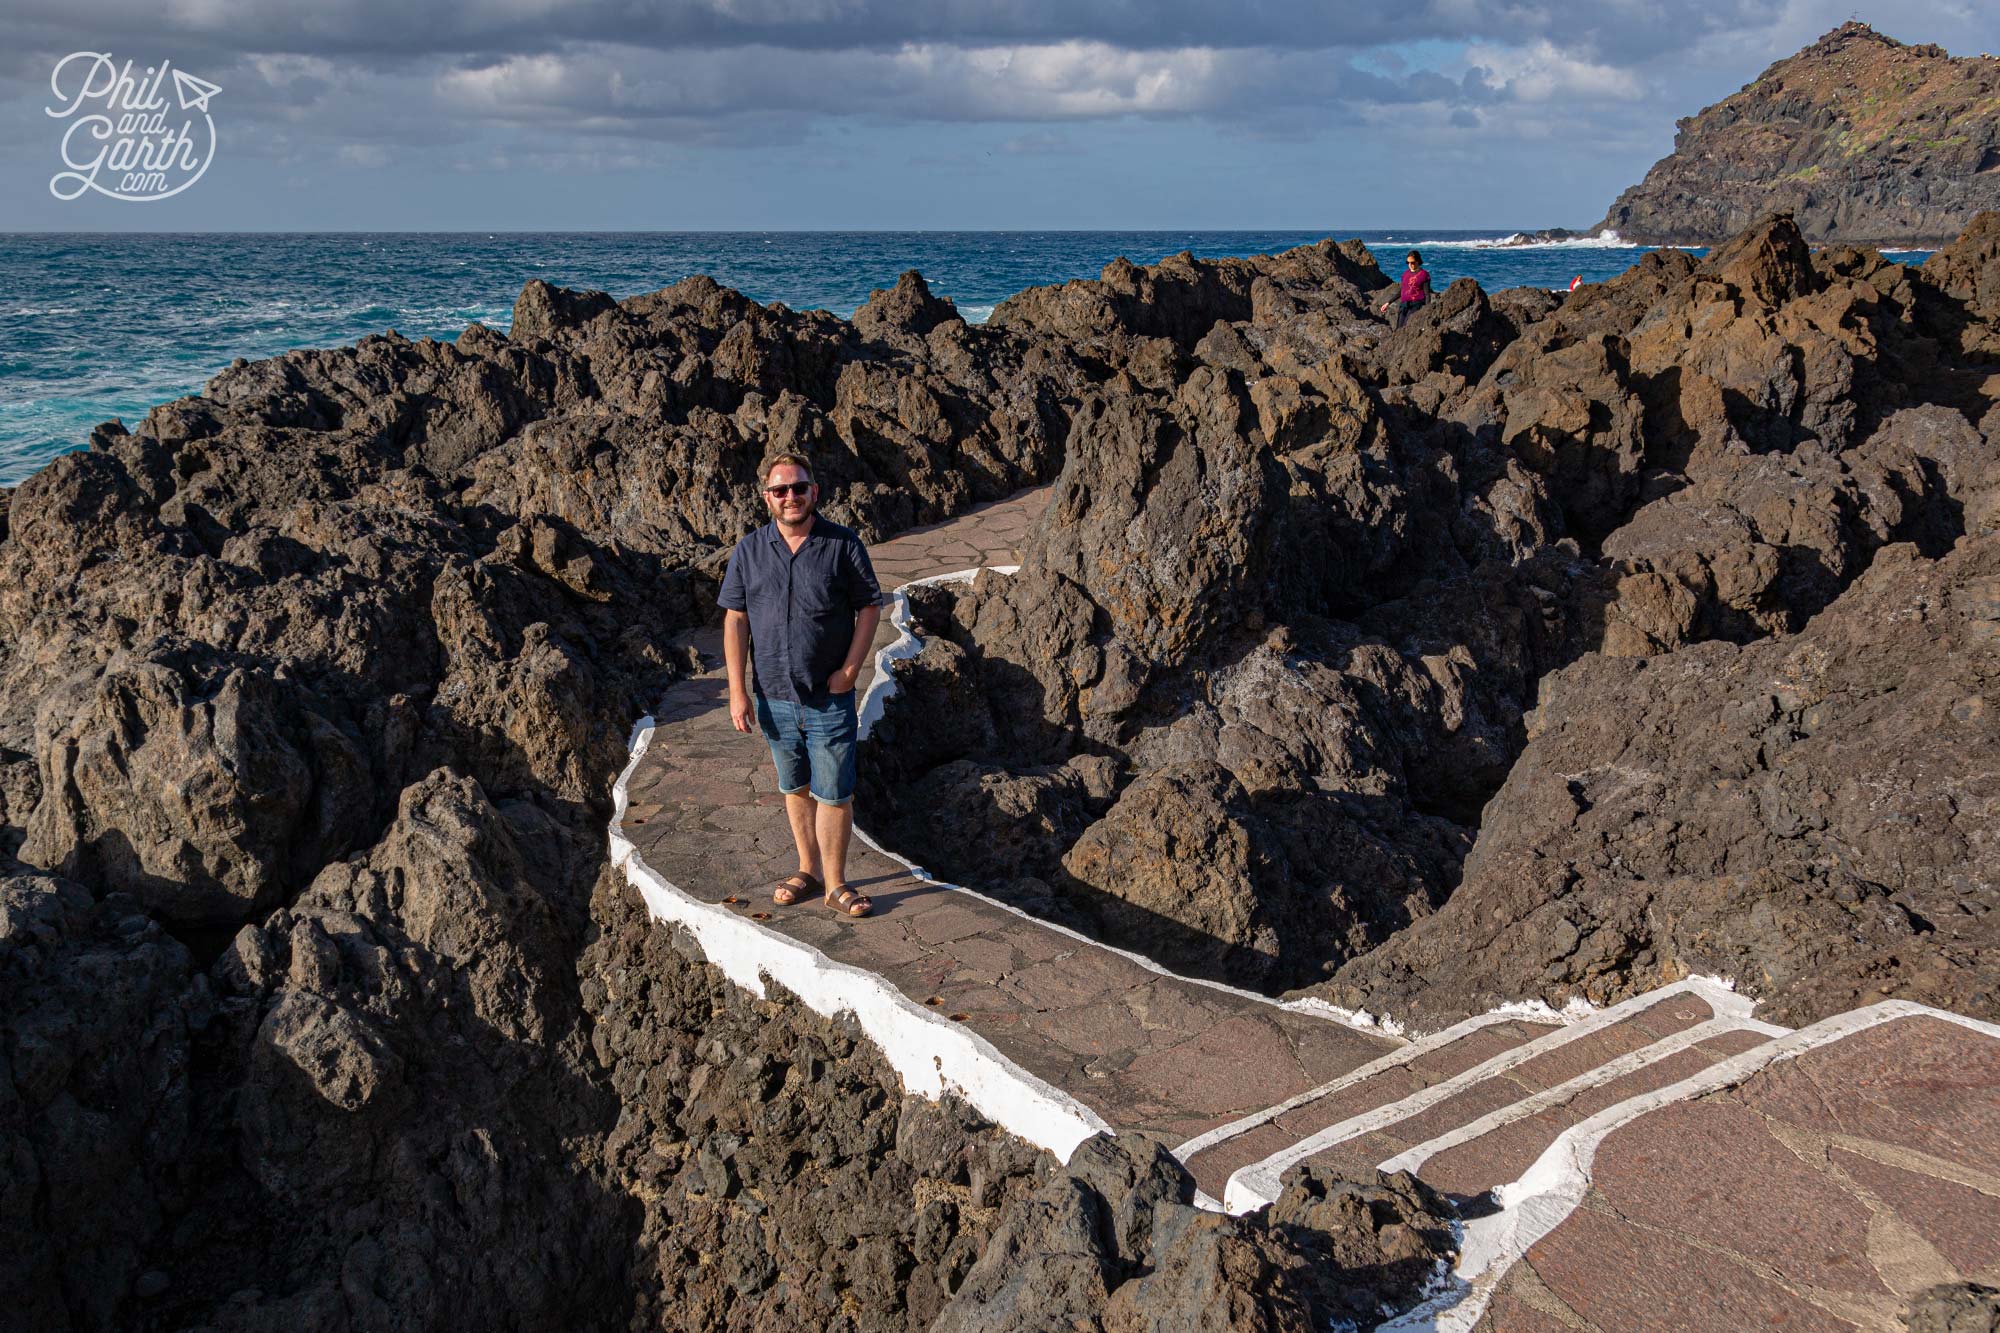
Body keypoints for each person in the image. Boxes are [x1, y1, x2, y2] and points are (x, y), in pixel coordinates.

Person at [718, 454, 884, 917]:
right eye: (780, 490)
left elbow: (870, 606)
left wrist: (850, 670)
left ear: (815, 492)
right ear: (766, 497)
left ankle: (836, 883)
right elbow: (735, 621)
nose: (790, 497)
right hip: (773, 696)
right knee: (795, 786)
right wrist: (737, 690)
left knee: (834, 791)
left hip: (828, 697)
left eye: (798, 488)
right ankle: (807, 869)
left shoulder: (842, 544)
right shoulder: (749, 551)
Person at [1378, 250, 1434, 328]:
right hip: (1404, 305)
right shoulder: (1405, 274)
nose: (1410, 265)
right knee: (1399, 329)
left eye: (1412, 262)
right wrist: (1388, 303)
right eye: (1408, 263)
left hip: (1417, 305)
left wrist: (1428, 310)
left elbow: (1427, 294)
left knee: (1407, 327)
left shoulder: (1424, 275)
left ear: (1418, 261)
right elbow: (1402, 290)